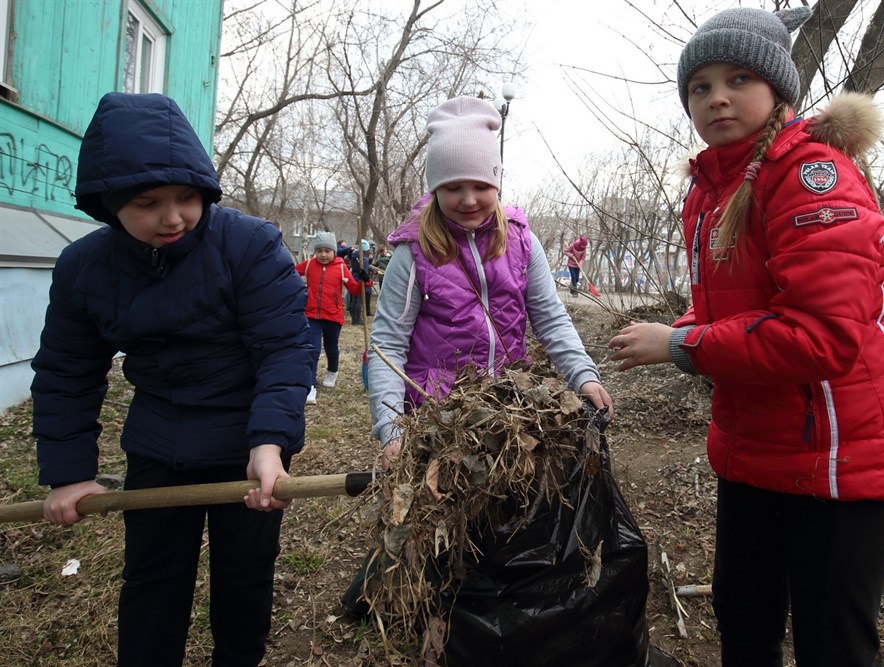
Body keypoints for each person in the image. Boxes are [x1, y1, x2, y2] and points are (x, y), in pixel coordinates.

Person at [608, 8, 884, 667]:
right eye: (699, 86)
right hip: (755, 446)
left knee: (831, 641)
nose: (717, 97)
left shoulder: (813, 176)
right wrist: (681, 331)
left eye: (738, 78)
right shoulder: (709, 190)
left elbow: (820, 337)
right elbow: (732, 309)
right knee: (743, 616)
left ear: (779, 90)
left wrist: (680, 347)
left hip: (843, 459)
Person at [31, 92, 313, 667]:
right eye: (148, 202)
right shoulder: (86, 268)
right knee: (153, 580)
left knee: (244, 577)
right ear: (108, 205)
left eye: (187, 198)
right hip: (159, 445)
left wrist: (269, 445)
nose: (173, 217)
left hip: (247, 446)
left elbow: (284, 348)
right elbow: (67, 370)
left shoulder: (248, 246)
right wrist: (68, 474)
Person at [368, 96, 613, 469]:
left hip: (509, 408)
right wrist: (391, 430)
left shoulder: (521, 241)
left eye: (480, 185)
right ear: (435, 189)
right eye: (453, 187)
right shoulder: (413, 253)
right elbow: (388, 343)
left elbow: (550, 318)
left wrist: (583, 375)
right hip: (436, 416)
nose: (468, 200)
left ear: (497, 182)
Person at [295, 231, 362, 400]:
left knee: (331, 348)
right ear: (315, 252)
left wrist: (364, 280)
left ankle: (332, 371)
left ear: (334, 251)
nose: (323, 255)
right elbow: (290, 274)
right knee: (313, 350)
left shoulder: (341, 267)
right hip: (311, 315)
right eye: (319, 251)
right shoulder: (309, 265)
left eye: (327, 251)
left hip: (333, 316)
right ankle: (310, 385)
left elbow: (354, 289)